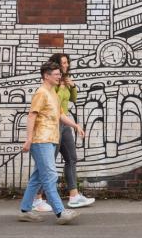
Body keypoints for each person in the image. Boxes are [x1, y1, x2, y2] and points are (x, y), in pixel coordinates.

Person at [18, 61, 84, 224]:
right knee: (50, 175)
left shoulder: (53, 93)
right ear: (46, 76)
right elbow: (32, 115)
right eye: (56, 74)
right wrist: (28, 139)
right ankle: (60, 212)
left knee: (37, 177)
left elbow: (61, 115)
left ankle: (25, 211)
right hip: (41, 140)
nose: (59, 76)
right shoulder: (41, 93)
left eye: (59, 74)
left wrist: (75, 125)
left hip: (51, 139)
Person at [32, 53, 95, 211]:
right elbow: (55, 103)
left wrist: (72, 86)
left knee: (71, 158)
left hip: (64, 123)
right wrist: (60, 86)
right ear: (56, 65)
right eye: (64, 63)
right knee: (47, 163)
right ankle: (37, 198)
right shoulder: (52, 84)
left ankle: (74, 196)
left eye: (67, 62)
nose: (66, 65)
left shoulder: (65, 81)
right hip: (52, 125)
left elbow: (73, 99)